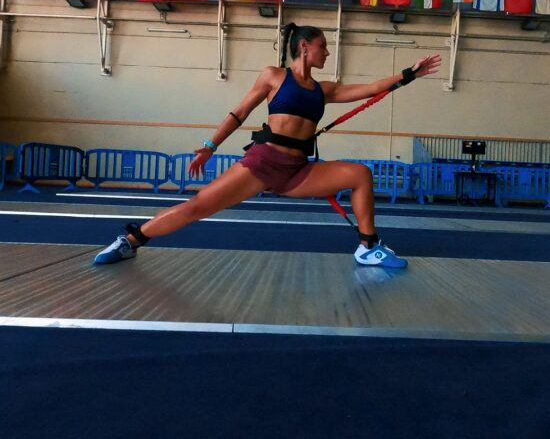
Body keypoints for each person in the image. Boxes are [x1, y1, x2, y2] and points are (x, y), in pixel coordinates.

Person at [95, 23, 441, 267]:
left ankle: (368, 247)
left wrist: (410, 73)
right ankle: (131, 241)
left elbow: (371, 88)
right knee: (196, 207)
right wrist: (210, 146)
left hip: (298, 171)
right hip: (261, 164)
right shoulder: (274, 76)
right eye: (322, 46)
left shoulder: (325, 90)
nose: (327, 52)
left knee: (360, 174)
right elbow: (239, 112)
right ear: (304, 46)